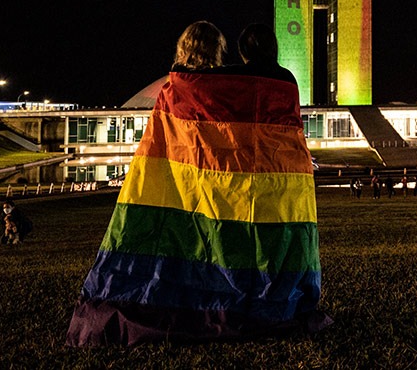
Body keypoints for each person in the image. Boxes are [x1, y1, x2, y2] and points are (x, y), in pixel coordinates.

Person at [66, 21, 331, 347]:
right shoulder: (283, 81)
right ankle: (266, 292)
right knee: (268, 239)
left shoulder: (177, 86)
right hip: (274, 177)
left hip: (192, 180)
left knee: (194, 237)